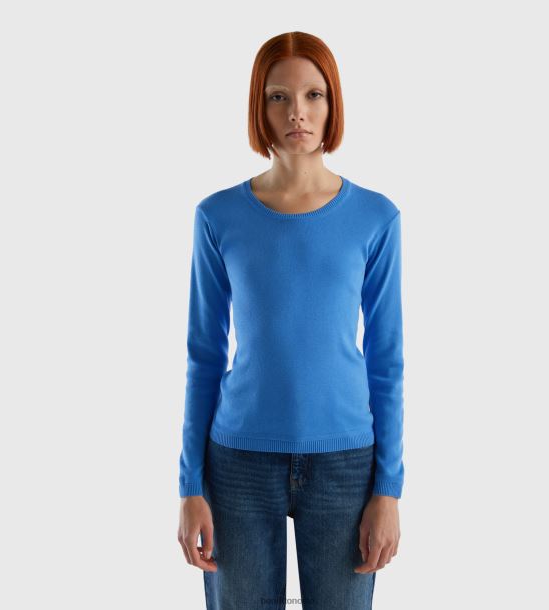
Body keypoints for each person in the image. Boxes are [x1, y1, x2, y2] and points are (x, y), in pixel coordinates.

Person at [176, 31, 404, 610]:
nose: (296, 112)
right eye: (278, 96)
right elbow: (204, 356)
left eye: (313, 95)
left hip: (345, 463)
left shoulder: (376, 218)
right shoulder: (218, 216)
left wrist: (389, 489)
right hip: (238, 464)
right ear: (259, 106)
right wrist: (190, 484)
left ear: (332, 104)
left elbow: (387, 360)